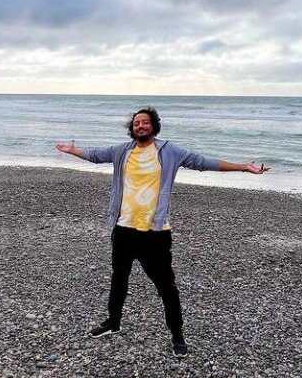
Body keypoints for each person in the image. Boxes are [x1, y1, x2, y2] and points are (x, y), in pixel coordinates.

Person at [56, 107, 270, 357]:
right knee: (119, 279)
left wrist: (243, 168)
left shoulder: (170, 151)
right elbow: (95, 155)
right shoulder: (121, 151)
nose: (141, 126)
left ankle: (177, 335)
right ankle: (113, 322)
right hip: (124, 228)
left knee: (166, 286)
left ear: (154, 126)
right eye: (137, 123)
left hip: (154, 232)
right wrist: (73, 151)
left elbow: (203, 162)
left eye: (145, 122)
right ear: (132, 128)